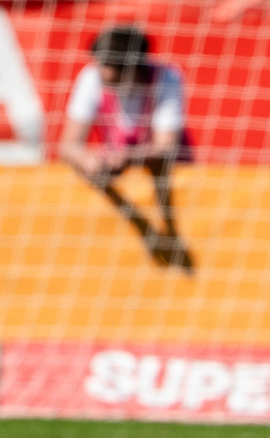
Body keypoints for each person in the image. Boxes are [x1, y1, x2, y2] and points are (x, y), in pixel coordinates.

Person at [59, 22, 192, 271]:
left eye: (111, 73)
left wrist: (129, 157)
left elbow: (166, 148)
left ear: (133, 68)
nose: (103, 75)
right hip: (122, 182)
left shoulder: (166, 79)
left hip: (165, 181)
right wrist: (88, 160)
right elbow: (68, 146)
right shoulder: (92, 76)